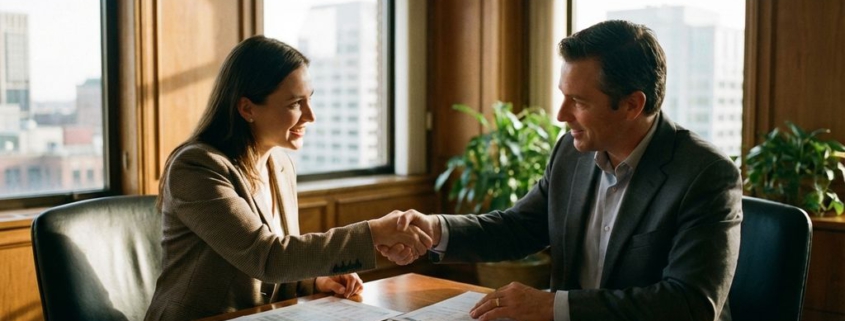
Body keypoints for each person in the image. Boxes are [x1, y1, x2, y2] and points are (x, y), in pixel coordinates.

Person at [382, 20, 742, 321]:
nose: (561, 115)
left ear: (632, 105)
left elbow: (689, 304)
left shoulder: (706, 174)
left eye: (579, 101)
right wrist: (435, 230)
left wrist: (552, 306)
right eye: (563, 95)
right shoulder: (572, 152)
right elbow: (519, 227)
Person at [144, 35, 431, 321]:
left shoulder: (280, 165)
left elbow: (279, 262)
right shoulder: (196, 167)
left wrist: (315, 280)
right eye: (295, 103)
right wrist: (374, 233)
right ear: (247, 108)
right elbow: (266, 258)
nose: (310, 116)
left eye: (309, 99)